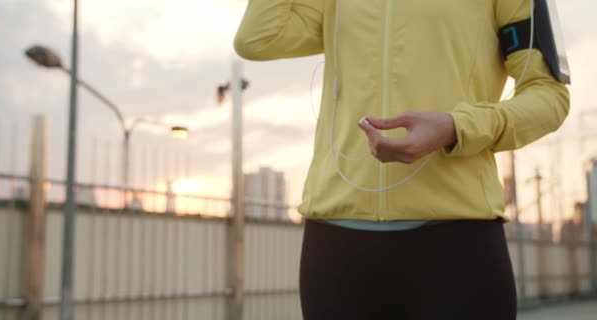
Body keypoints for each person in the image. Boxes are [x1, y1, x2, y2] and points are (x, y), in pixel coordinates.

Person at [235, 0, 569, 319]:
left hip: (456, 247)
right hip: (336, 247)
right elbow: (258, 38)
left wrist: (457, 127)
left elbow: (549, 94)